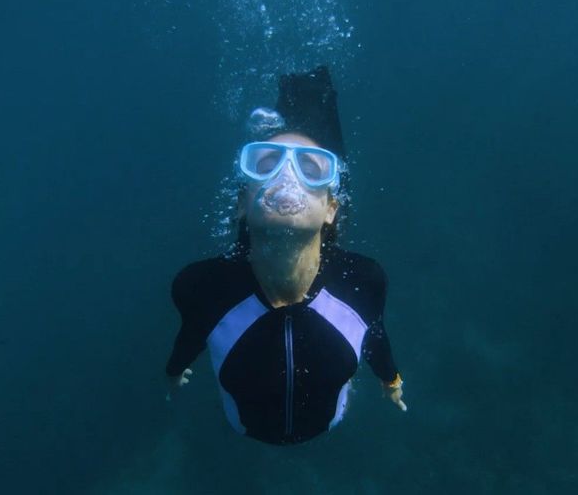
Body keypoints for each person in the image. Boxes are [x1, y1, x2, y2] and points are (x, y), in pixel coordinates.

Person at [164, 65, 406, 445]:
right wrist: (175, 369)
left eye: (311, 169)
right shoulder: (201, 286)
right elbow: (190, 334)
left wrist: (391, 378)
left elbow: (375, 334)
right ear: (244, 202)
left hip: (329, 425)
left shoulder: (363, 280)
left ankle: (306, 87)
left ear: (331, 209)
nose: (286, 178)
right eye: (267, 164)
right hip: (243, 432)